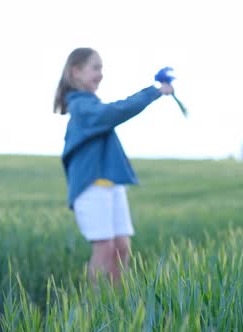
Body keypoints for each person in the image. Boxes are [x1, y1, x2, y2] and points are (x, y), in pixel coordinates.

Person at [53, 48, 174, 283]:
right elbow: (116, 111)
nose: (101, 74)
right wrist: (154, 92)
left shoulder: (91, 105)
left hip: (112, 186)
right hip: (91, 188)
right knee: (105, 248)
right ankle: (94, 307)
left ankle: (117, 305)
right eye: (95, 67)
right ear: (76, 71)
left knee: (121, 247)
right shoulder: (81, 107)